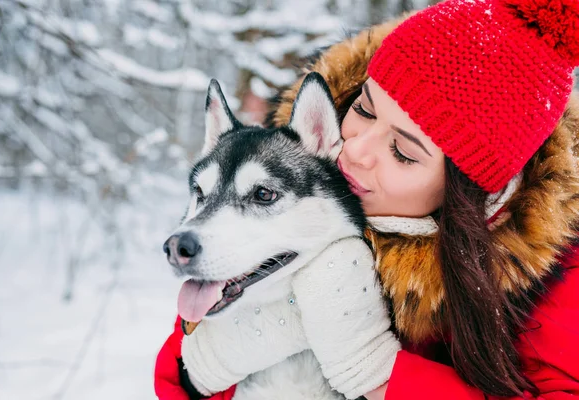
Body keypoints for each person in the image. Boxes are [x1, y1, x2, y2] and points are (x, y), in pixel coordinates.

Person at [154, 0, 579, 398]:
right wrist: (223, 354)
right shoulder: (291, 162)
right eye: (365, 109)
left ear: (468, 193)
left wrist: (377, 371)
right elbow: (178, 375)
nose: (355, 150)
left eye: (403, 152)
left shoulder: (557, 277)